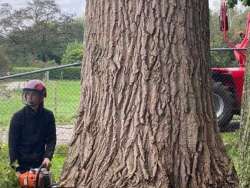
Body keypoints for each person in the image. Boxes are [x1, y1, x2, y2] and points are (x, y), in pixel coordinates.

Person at [8, 79, 56, 176]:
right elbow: (12, 144)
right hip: (21, 164)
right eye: (27, 94)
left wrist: (47, 157)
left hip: (40, 164)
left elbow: (51, 139)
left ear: (41, 96)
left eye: (33, 94)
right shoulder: (18, 117)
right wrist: (15, 168)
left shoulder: (48, 116)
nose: (29, 97)